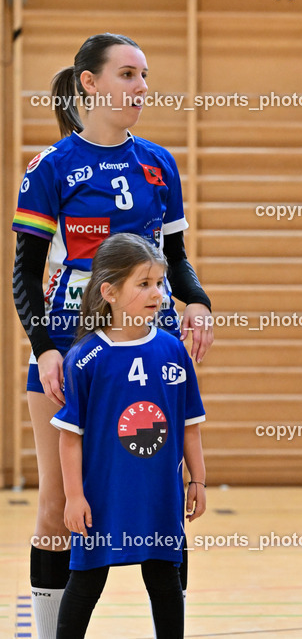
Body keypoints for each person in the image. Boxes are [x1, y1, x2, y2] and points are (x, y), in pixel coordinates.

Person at [11, 33, 213, 638]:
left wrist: (196, 301)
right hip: (71, 343)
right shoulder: (51, 168)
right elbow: (24, 269)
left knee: (164, 497)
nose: (141, 87)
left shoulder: (158, 163)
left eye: (144, 76)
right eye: (127, 74)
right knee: (58, 501)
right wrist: (46, 346)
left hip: (154, 343)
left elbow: (175, 256)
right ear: (89, 83)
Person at [49, 233, 207, 639]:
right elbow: (70, 437)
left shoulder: (173, 351)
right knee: (86, 582)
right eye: (144, 284)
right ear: (109, 292)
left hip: (158, 495)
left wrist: (199, 479)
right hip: (102, 497)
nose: (157, 293)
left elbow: (189, 424)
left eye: (160, 283)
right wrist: (74, 496)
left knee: (165, 582)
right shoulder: (85, 358)